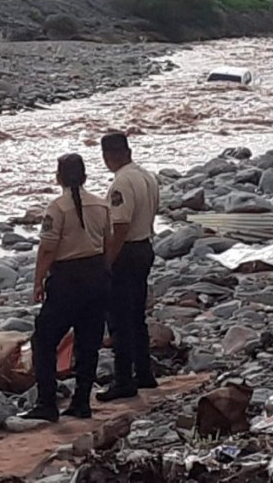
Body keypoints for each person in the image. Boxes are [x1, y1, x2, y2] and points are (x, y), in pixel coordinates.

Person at [20, 154, 113, 422]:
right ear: (84, 176)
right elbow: (107, 243)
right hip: (96, 277)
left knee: (44, 339)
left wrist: (38, 281)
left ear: (59, 176)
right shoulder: (101, 205)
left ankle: (47, 402)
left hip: (67, 280)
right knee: (89, 342)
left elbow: (48, 248)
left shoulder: (57, 208)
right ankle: (82, 401)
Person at [97, 133, 160, 402]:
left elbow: (120, 226)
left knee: (120, 319)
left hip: (127, 252)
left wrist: (107, 261)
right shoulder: (147, 176)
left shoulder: (121, 183)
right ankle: (144, 373)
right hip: (144, 245)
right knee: (136, 315)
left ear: (108, 156)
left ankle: (124, 380)